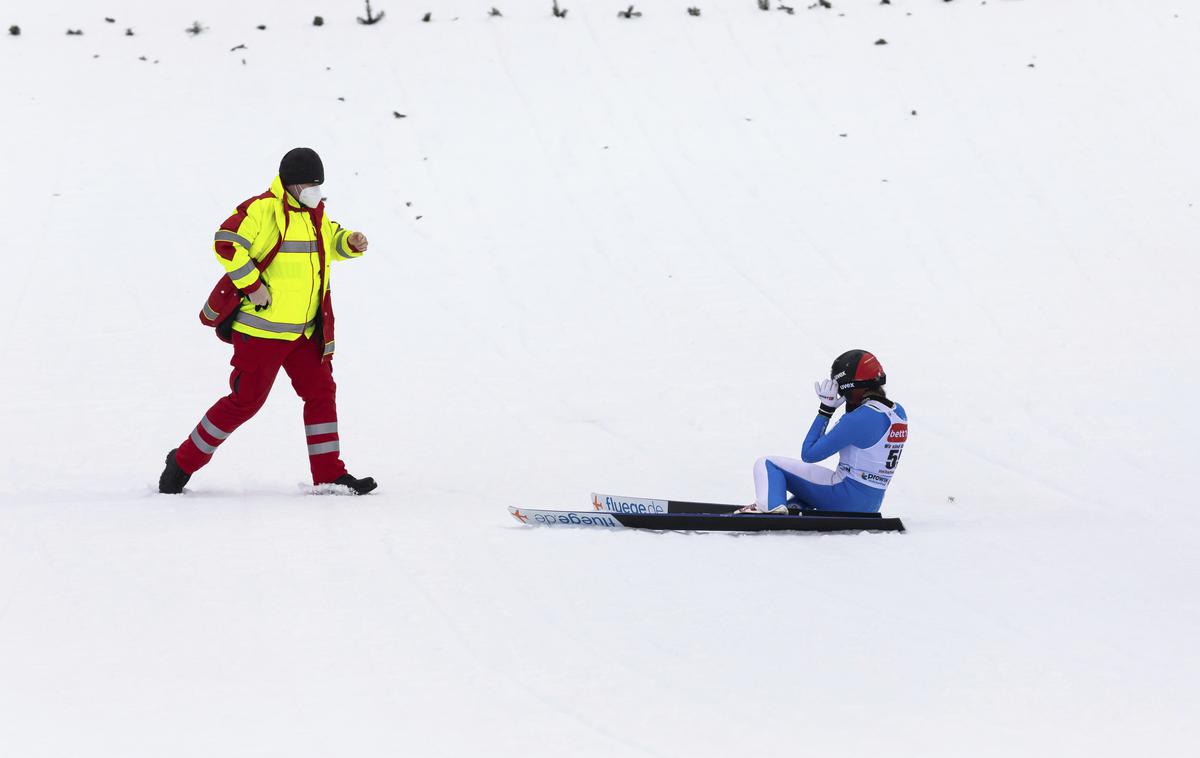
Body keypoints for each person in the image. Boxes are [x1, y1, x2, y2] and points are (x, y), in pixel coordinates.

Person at [158, 147, 377, 495]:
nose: (314, 191)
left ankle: (329, 474)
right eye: (308, 184)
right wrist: (252, 285)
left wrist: (348, 242)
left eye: (318, 184)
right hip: (262, 333)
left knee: (321, 394)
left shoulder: (316, 214)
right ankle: (183, 460)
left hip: (305, 333)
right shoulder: (262, 210)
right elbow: (226, 243)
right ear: (290, 184)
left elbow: (330, 242)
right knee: (245, 402)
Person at [743, 350, 907, 513]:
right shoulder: (898, 412)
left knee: (767, 464)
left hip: (843, 498)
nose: (843, 397)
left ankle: (770, 507)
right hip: (870, 504)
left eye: (843, 391)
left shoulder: (859, 418)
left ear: (851, 386)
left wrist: (825, 410)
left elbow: (809, 454)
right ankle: (795, 507)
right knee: (809, 485)